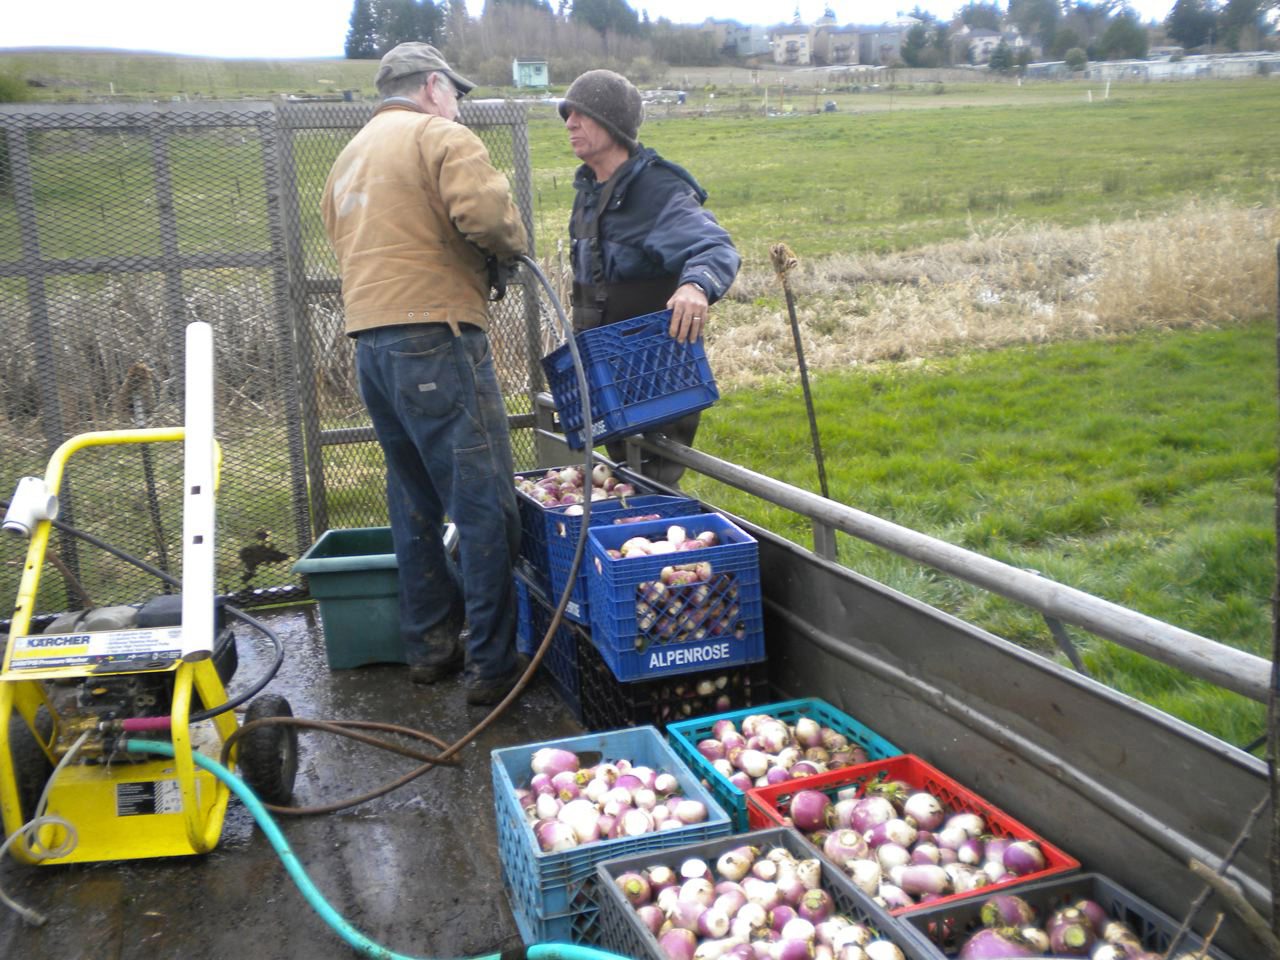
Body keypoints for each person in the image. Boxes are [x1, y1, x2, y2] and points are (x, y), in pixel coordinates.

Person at [321, 42, 529, 705]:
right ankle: (494, 669)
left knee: (413, 499)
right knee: (482, 500)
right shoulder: (441, 135)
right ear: (434, 87)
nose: (459, 106)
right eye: (456, 94)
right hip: (435, 339)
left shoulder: (349, 156)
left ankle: (430, 648)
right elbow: (489, 217)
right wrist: (508, 252)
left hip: (371, 347)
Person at [559, 69, 740, 487]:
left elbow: (715, 248)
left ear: (613, 124)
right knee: (622, 478)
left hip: (653, 370)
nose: (569, 123)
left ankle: (679, 549)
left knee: (654, 480)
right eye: (567, 115)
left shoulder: (657, 191)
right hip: (604, 367)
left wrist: (696, 286)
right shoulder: (589, 194)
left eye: (580, 114)